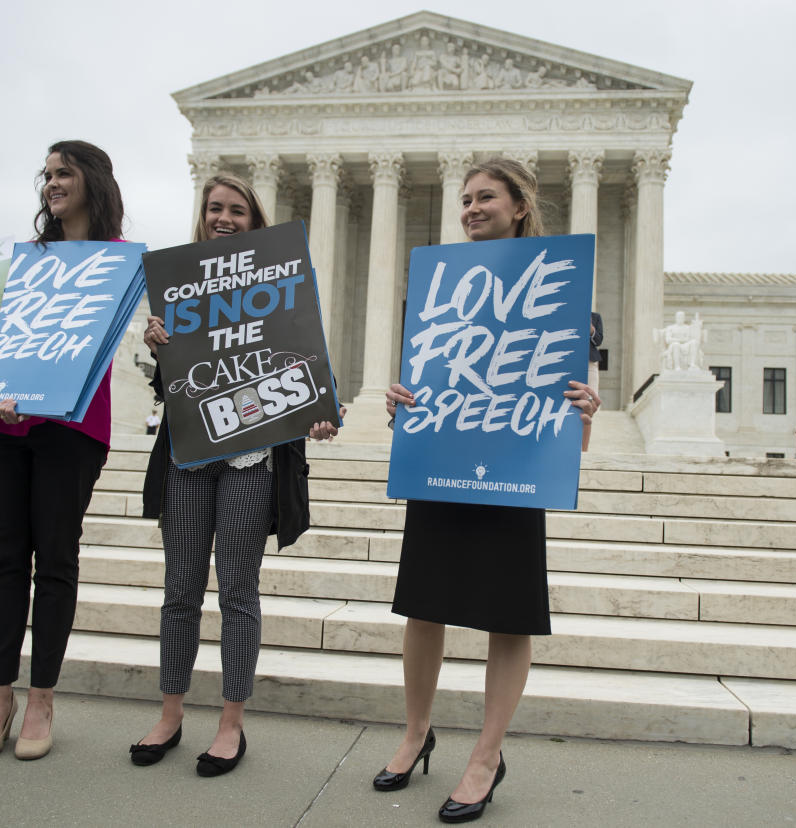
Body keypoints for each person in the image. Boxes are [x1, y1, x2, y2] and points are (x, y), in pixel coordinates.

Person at [381, 158, 600, 824]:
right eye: (466, 198)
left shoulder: (564, 299)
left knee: (509, 614)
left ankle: (487, 754)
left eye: (486, 198)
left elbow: (570, 435)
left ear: (520, 207)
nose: (472, 208)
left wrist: (585, 414)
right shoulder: (436, 290)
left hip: (515, 468)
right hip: (444, 461)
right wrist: (403, 405)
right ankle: (417, 733)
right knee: (424, 604)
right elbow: (429, 384)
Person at [134, 174, 344, 776]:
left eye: (237, 212)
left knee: (238, 592)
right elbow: (171, 386)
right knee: (180, 587)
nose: (223, 218)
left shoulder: (280, 287)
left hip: (252, 460)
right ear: (202, 217)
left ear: (255, 224)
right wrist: (160, 347)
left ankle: (231, 724)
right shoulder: (177, 292)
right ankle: (170, 713)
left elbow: (297, 361)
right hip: (190, 456)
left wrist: (316, 414)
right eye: (214, 209)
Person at [0, 140, 125, 761]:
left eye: (65, 172)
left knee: (55, 558)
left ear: (92, 181)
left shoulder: (121, 262)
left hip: (72, 424)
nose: (53, 183)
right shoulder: (21, 260)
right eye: (48, 174)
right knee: (4, 558)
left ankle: (42, 697)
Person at [584, 311, 603, 452]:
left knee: (589, 405)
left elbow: (599, 340)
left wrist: (591, 329)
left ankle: (584, 450)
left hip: (589, 363)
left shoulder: (595, 317)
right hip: (569, 362)